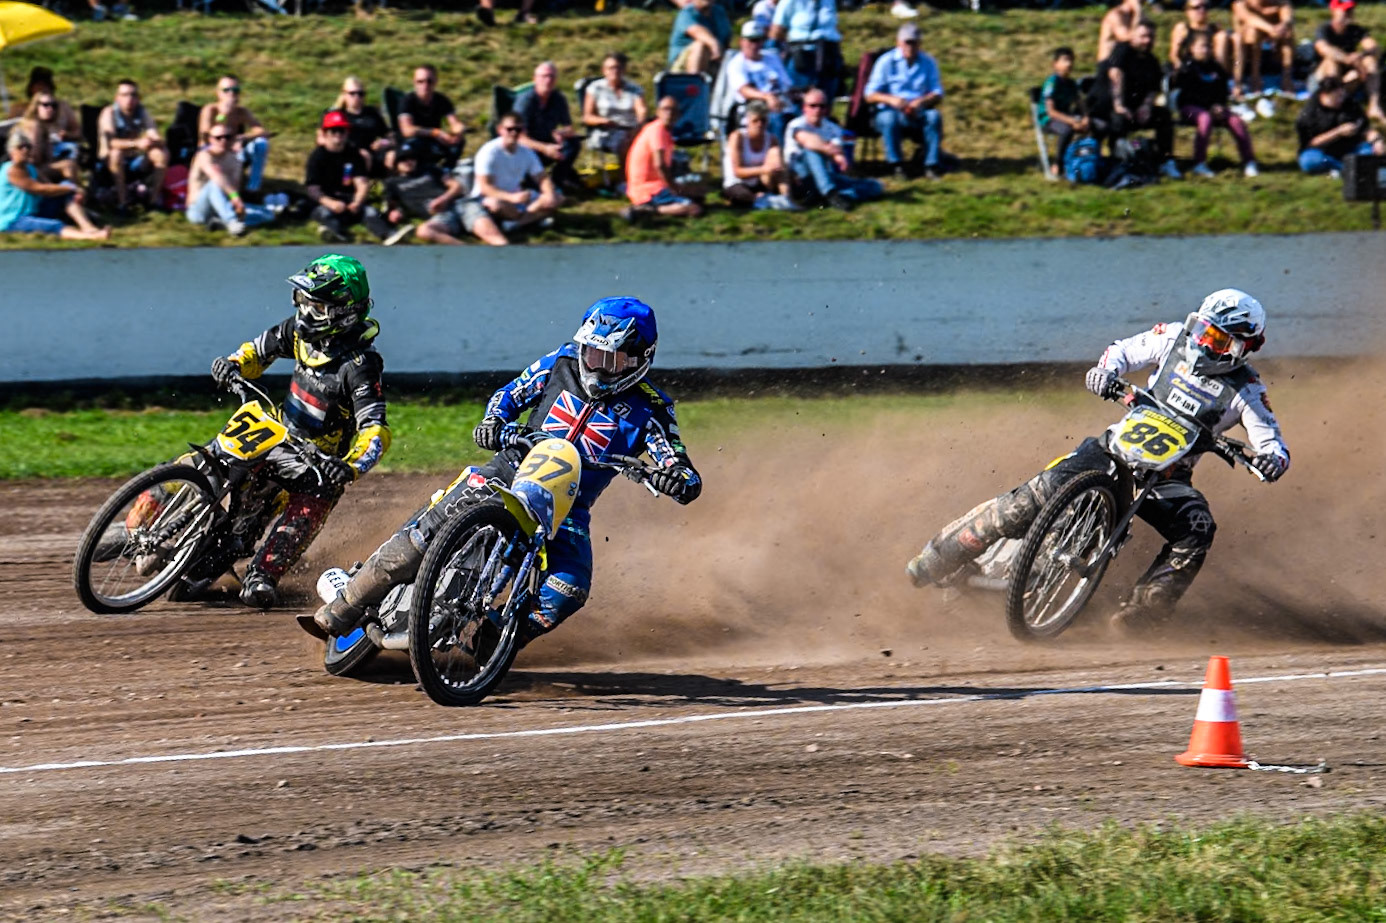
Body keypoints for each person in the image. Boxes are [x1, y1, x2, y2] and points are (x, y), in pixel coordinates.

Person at [308, 296, 701, 648]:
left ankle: (498, 641)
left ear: (640, 358)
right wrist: (493, 421)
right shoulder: (560, 362)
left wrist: (675, 479)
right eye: (593, 354)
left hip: (569, 508)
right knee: (429, 529)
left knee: (570, 587)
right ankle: (345, 605)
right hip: (510, 467)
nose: (598, 366)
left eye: (611, 360)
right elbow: (510, 394)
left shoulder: (652, 408)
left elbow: (683, 469)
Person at [907, 289, 1290, 629]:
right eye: (1205, 332)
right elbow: (1122, 351)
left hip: (1167, 477)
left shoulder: (1249, 391)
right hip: (1111, 449)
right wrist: (1105, 371)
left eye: (1220, 341)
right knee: (1022, 504)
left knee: (1197, 528)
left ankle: (1145, 612)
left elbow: (1271, 440)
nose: (1207, 345)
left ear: (1245, 347)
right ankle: (940, 556)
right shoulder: (1173, 338)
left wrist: (1272, 459)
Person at [207, 255, 389, 609]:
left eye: (317, 307)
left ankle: (263, 573)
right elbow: (259, 351)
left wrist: (350, 466)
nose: (306, 313)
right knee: (216, 457)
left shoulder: (361, 365)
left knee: (314, 497)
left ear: (344, 313)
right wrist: (233, 364)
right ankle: (156, 511)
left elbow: (375, 428)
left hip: (317, 460)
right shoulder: (298, 332)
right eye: (303, 302)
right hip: (275, 433)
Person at [443, 110, 563, 246]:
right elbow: (485, 187)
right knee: (495, 204)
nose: (514, 133)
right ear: (500, 130)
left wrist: (549, 193)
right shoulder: (489, 152)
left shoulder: (526, 152)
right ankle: (532, 218)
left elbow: (542, 178)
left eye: (518, 129)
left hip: (517, 197)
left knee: (557, 198)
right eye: (509, 129)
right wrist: (512, 198)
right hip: (491, 199)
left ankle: (515, 223)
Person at [1089, 19, 1181, 179]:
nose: (1147, 40)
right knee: (1119, 119)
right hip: (1107, 107)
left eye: (1151, 37)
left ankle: (1165, 161)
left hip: (1135, 110)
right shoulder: (1122, 50)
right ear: (1132, 36)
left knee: (1164, 117)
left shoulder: (1152, 60)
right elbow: (1115, 74)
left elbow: (1154, 87)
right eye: (1143, 36)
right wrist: (1119, 104)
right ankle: (1118, 163)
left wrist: (1146, 106)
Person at [866, 23, 949, 179]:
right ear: (898, 42)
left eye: (914, 42)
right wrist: (891, 99)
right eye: (907, 42)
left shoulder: (928, 62)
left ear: (920, 44)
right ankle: (896, 165)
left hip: (918, 110)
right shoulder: (886, 61)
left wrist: (922, 101)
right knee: (889, 119)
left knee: (934, 117)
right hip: (891, 110)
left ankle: (931, 164)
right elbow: (869, 94)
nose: (910, 46)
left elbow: (938, 92)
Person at [1174, 33, 1259, 177]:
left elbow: (1222, 91)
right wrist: (1210, 107)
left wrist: (1219, 105)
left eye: (1208, 46)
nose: (1206, 50)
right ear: (1192, 48)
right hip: (1190, 108)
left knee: (1236, 121)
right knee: (1205, 118)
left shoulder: (1215, 67)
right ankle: (1199, 163)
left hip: (1214, 108)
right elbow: (1187, 93)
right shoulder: (1186, 68)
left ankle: (1249, 161)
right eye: (1202, 46)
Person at [0, 130, 109, 241]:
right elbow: (39, 189)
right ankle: (91, 237)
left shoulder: (30, 168)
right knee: (54, 225)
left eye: (28, 147)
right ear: (11, 151)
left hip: (33, 211)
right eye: (21, 147)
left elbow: (49, 185)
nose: (25, 150)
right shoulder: (12, 170)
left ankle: (87, 227)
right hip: (14, 219)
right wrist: (72, 188)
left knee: (65, 186)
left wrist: (72, 191)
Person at [784, 87, 882, 209]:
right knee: (811, 151)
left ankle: (832, 196)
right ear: (804, 108)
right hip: (800, 177)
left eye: (821, 106)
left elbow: (837, 147)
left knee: (875, 186)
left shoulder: (832, 127)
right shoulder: (796, 124)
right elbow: (807, 141)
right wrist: (828, 149)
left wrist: (838, 156)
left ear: (826, 109)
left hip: (825, 175)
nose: (817, 110)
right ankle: (830, 193)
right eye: (812, 106)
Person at [306, 110, 392, 243]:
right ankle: (336, 234)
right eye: (333, 130)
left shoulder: (353, 154)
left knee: (371, 212)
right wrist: (331, 203)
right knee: (323, 213)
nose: (338, 134)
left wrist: (357, 202)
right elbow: (312, 189)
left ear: (347, 133)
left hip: (350, 201)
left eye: (342, 130)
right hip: (327, 201)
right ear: (325, 134)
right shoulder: (317, 157)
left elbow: (362, 183)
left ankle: (388, 236)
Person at [624, 97, 704, 220]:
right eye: (665, 109)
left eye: (673, 110)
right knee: (694, 208)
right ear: (658, 112)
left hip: (652, 185)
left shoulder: (663, 131)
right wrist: (674, 188)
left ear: (678, 114)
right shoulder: (657, 130)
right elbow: (659, 165)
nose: (669, 114)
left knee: (699, 196)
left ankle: (652, 207)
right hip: (648, 189)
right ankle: (650, 210)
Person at [96, 79, 169, 213]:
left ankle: (153, 201)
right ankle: (122, 203)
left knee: (161, 153)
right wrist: (136, 143)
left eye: (133, 95)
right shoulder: (109, 113)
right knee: (116, 153)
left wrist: (154, 141)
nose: (129, 98)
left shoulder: (141, 112)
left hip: (134, 160)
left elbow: (153, 132)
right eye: (124, 95)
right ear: (117, 98)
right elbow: (111, 142)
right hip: (110, 162)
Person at [1295, 75, 1386, 175]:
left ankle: (1348, 169)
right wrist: (1338, 132)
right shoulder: (1309, 113)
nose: (1341, 100)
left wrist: (1377, 141)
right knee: (1309, 161)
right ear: (1324, 95)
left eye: (1342, 95)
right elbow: (1310, 143)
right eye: (1337, 97)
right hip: (1323, 152)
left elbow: (1365, 130)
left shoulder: (1350, 104)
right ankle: (1348, 169)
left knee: (1367, 151)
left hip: (1350, 149)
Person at [382, 137, 464, 246]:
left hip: (458, 205)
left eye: (411, 158)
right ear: (396, 164)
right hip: (440, 216)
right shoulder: (392, 183)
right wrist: (394, 212)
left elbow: (457, 186)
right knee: (424, 231)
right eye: (402, 159)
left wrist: (444, 199)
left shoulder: (429, 170)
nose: (407, 162)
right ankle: (468, 251)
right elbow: (391, 205)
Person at [514, 61, 582, 191]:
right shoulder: (526, 102)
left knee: (573, 143)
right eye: (544, 76)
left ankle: (557, 181)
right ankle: (535, 183)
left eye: (551, 76)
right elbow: (520, 138)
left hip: (549, 142)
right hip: (528, 148)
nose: (548, 80)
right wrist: (545, 148)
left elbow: (569, 127)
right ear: (535, 79)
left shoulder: (558, 98)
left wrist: (562, 133)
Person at [198, 74, 271, 194]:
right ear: (218, 92)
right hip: (211, 150)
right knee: (234, 150)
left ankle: (253, 189)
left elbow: (261, 131)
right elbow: (205, 135)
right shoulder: (210, 110)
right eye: (226, 90)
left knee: (261, 143)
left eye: (235, 90)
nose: (231, 94)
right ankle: (232, 190)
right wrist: (225, 114)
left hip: (234, 148)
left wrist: (241, 138)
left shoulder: (241, 112)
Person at [726, 20, 798, 141]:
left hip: (782, 102)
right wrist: (766, 97)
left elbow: (787, 85)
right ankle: (778, 154)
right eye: (751, 40)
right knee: (776, 118)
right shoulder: (737, 63)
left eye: (758, 40)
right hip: (755, 107)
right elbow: (744, 90)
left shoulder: (772, 58)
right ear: (742, 42)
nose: (754, 45)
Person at [1313, 0, 1383, 123]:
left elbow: (1374, 48)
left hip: (1346, 77)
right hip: (1324, 78)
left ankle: (1374, 105)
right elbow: (1323, 48)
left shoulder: (1355, 30)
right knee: (1331, 61)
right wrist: (1348, 59)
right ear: (1333, 10)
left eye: (1350, 10)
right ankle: (1333, 105)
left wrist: (1361, 56)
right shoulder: (1324, 29)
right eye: (1345, 11)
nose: (1349, 14)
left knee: (1370, 61)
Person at [723, 101, 799, 210]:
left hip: (761, 181)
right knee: (741, 196)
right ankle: (763, 200)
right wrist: (763, 169)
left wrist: (779, 169)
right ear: (748, 121)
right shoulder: (737, 137)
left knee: (777, 158)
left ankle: (786, 197)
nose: (759, 124)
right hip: (737, 182)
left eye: (763, 121)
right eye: (755, 121)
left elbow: (776, 166)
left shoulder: (771, 139)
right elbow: (738, 171)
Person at [582, 52, 647, 168]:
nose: (615, 71)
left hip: (632, 129)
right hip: (607, 130)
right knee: (625, 143)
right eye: (611, 68)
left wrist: (638, 127)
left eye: (618, 67)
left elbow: (641, 111)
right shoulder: (595, 88)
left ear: (624, 70)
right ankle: (625, 180)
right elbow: (587, 117)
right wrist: (602, 121)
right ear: (604, 70)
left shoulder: (634, 89)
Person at [768, 0, 844, 96]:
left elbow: (833, 27)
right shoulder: (789, 2)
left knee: (824, 99)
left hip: (827, 57)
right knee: (798, 97)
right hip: (801, 57)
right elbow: (776, 31)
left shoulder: (829, 1)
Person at [398, 65, 466, 169]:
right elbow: (407, 130)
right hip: (415, 141)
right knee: (415, 145)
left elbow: (454, 122)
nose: (425, 85)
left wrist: (457, 132)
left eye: (429, 81)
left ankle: (446, 171)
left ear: (435, 82)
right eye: (420, 81)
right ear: (414, 82)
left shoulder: (441, 99)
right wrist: (436, 133)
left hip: (434, 140)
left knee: (459, 141)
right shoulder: (407, 101)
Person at [1040, 47, 1090, 179]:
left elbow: (1080, 102)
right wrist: (1072, 121)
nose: (1069, 64)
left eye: (1071, 60)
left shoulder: (1071, 84)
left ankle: (1084, 161)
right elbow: (1051, 112)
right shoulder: (1052, 83)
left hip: (1066, 117)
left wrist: (1085, 117)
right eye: (1065, 60)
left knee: (1091, 127)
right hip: (1049, 120)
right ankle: (1058, 164)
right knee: (1066, 130)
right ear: (1055, 64)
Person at [329, 76, 394, 176]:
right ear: (344, 94)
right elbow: (325, 139)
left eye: (361, 94)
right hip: (347, 153)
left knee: (392, 155)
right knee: (364, 156)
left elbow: (389, 134)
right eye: (352, 93)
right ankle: (359, 187)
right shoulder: (337, 115)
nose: (357, 97)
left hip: (374, 152)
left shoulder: (372, 112)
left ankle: (393, 186)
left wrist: (385, 142)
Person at [1232, 0, 1295, 99]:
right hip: (1246, 56)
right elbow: (1249, 19)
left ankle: (1287, 78)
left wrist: (1283, 25)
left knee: (1288, 33)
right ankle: (1254, 78)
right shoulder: (1241, 4)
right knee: (1253, 32)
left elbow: (1288, 18)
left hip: (1272, 52)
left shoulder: (1279, 3)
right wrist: (1271, 29)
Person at [19, 91, 81, 187]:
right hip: (28, 171)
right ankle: (76, 193)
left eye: (54, 105)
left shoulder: (44, 126)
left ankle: (75, 194)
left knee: (69, 164)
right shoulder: (32, 126)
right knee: (68, 166)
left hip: (40, 167)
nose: (50, 108)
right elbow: (34, 158)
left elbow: (78, 133)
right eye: (45, 105)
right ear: (36, 107)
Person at [8, 67, 80, 143]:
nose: (42, 88)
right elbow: (8, 132)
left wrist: (67, 135)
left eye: (45, 85)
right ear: (31, 87)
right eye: (38, 85)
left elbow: (77, 132)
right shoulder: (18, 108)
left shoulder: (63, 107)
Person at [668, 0, 732, 76]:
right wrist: (714, 44)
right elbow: (697, 31)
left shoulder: (719, 12)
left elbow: (726, 41)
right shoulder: (687, 13)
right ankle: (695, 82)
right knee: (701, 46)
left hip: (714, 62)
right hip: (682, 67)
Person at [1170, 0, 1232, 73]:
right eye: (1196, 7)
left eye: (1205, 7)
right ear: (1187, 11)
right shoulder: (1183, 28)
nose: (1202, 10)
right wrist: (1181, 68)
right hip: (1191, 69)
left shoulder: (1214, 29)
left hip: (1212, 68)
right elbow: (1174, 54)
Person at [1098, 0, 1143, 65]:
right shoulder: (1116, 14)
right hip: (1109, 63)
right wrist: (1138, 12)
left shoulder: (1133, 16)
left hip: (1127, 60)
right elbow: (1125, 38)